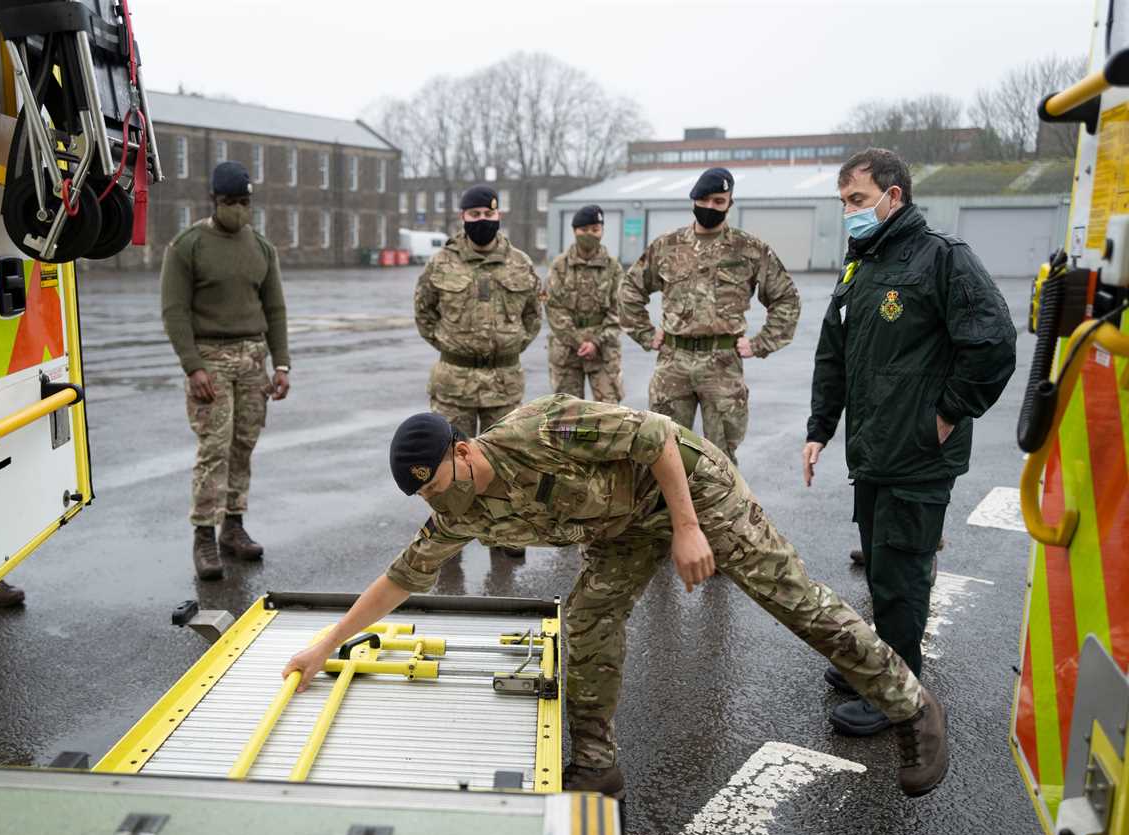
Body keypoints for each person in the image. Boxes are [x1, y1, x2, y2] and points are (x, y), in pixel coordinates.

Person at [284, 395, 950, 800]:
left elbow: (656, 434)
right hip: (621, 526)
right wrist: (324, 644)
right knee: (589, 620)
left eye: (438, 484)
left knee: (788, 597)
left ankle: (910, 706)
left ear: (462, 449)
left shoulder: (540, 429)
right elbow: (403, 577)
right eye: (425, 496)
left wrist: (689, 528)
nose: (438, 501)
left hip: (687, 486)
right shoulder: (458, 509)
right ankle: (597, 763)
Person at [804, 148, 1015, 736]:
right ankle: (879, 666)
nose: (849, 212)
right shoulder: (862, 264)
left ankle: (897, 694)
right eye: (843, 202)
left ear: (893, 197)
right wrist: (821, 428)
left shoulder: (942, 259)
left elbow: (993, 342)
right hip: (874, 450)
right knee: (881, 566)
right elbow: (835, 354)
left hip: (919, 453)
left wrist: (948, 414)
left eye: (858, 201)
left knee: (902, 572)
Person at [161, 161, 291, 581]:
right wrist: (193, 366)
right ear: (214, 201)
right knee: (213, 447)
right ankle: (203, 534)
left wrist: (282, 363)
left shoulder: (261, 248)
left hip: (253, 360)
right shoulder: (188, 245)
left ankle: (233, 526)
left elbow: (274, 309)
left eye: (245, 202)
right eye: (230, 202)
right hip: (210, 359)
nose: (239, 210)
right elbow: (174, 311)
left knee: (244, 445)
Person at [621, 167, 800, 464]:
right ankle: (670, 512)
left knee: (721, 459)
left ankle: (719, 512)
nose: (710, 207)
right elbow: (630, 289)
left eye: (719, 201)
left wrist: (760, 343)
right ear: (693, 200)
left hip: (722, 364)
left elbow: (786, 298)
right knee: (663, 452)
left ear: (729, 203)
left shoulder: (750, 249)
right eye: (704, 200)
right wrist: (644, 333)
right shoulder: (667, 246)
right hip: (673, 362)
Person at [414, 183, 542, 557]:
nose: (482, 221)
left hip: (504, 380)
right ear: (463, 217)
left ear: (498, 215)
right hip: (455, 380)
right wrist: (453, 347)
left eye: (488, 214)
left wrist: (510, 346)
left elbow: (534, 315)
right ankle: (447, 536)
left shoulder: (520, 262)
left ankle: (504, 532)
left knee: (505, 458)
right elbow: (424, 313)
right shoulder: (441, 262)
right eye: (475, 215)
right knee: (445, 462)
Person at [543, 205, 624, 403]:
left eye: (595, 229)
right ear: (575, 231)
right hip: (567, 351)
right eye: (584, 230)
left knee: (609, 413)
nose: (590, 234)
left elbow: (620, 311)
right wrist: (579, 341)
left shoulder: (613, 268)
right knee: (568, 414)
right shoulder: (559, 266)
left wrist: (595, 342)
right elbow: (553, 308)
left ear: (602, 231)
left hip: (603, 351)